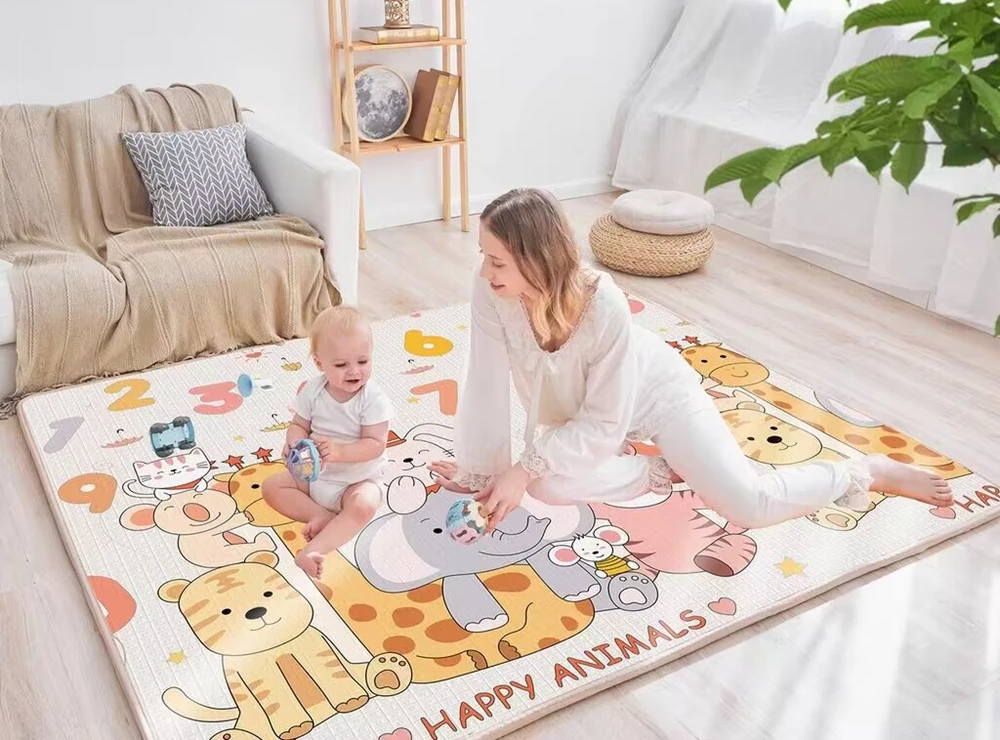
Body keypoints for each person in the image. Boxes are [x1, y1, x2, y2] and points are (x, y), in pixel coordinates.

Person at [431, 188, 954, 530]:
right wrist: (483, 471)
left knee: (749, 506)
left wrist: (518, 470)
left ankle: (863, 470)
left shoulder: (601, 301)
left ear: (535, 260)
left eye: (497, 260)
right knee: (543, 481)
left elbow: (606, 421)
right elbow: (485, 382)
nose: (485, 270)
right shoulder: (492, 291)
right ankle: (661, 471)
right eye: (484, 255)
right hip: (580, 412)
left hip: (655, 398)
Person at [263, 305, 391, 577]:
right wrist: (295, 444)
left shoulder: (373, 398)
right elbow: (298, 425)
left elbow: (376, 444)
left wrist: (341, 452)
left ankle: (313, 550)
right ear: (320, 364)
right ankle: (319, 516)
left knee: (364, 504)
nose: (354, 371)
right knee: (271, 486)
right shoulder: (314, 391)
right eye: (341, 365)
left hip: (356, 481)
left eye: (363, 361)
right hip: (314, 477)